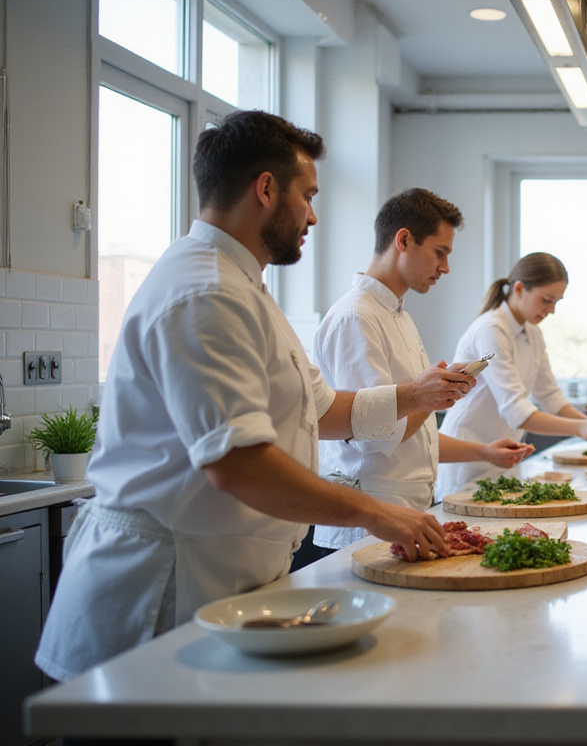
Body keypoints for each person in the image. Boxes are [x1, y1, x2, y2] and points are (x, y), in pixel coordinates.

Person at [36, 111, 470, 682]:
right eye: (307, 196)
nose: (313, 215)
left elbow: (326, 410)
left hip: (219, 585)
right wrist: (377, 513)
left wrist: (415, 395)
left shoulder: (246, 287)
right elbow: (237, 464)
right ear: (266, 189)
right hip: (161, 593)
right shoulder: (206, 291)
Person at [310, 189, 534, 551]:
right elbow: (378, 436)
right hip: (367, 521)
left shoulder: (398, 316)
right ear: (403, 240)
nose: (445, 268)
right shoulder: (356, 318)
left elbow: (417, 435)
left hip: (404, 512)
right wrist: (429, 397)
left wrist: (484, 451)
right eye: (440, 252)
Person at [437, 252, 587, 497]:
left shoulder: (532, 333)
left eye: (556, 302)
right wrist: (580, 428)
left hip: (503, 457)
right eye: (546, 300)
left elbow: (550, 397)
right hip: (467, 460)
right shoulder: (491, 329)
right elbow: (516, 411)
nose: (551, 310)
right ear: (519, 288)